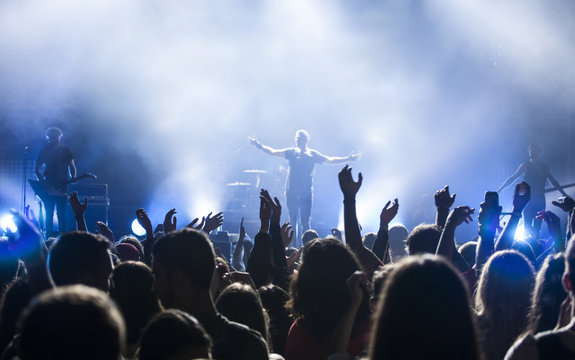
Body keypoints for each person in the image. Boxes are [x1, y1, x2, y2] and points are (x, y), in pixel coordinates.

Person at [151, 228, 269, 360]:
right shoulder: (251, 344)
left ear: (179, 279)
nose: (154, 288)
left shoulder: (159, 344)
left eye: (158, 277)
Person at [249, 130, 358, 244]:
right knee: (292, 220)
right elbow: (273, 152)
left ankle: (307, 247)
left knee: (305, 222)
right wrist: (258, 145)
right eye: (297, 139)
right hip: (291, 191)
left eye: (300, 139)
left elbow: (329, 160)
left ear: (306, 140)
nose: (298, 141)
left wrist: (347, 158)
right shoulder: (291, 152)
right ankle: (292, 247)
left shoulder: (312, 154)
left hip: (305, 192)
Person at [498, 144, 567, 240]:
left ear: (538, 152)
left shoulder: (544, 167)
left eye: (534, 150)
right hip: (528, 200)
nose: (532, 152)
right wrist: (500, 189)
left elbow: (553, 181)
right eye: (530, 150)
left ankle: (535, 244)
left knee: (538, 225)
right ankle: (529, 244)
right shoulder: (525, 165)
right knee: (527, 225)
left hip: (539, 199)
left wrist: (563, 194)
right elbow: (512, 178)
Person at [34, 127, 77, 236]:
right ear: (49, 138)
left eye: (55, 136)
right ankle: (49, 237)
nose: (53, 139)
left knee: (59, 214)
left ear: (59, 136)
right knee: (50, 214)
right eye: (51, 137)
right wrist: (43, 183)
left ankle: (59, 238)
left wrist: (73, 177)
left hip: (61, 187)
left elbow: (72, 167)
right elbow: (37, 170)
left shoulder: (65, 150)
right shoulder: (45, 150)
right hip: (49, 187)